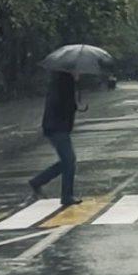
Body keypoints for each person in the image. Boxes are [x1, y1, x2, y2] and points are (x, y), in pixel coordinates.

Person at [28, 70, 87, 206]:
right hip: (57, 127)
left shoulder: (62, 82)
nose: (80, 73)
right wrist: (74, 105)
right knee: (69, 160)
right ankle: (66, 196)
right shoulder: (64, 83)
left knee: (67, 161)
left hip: (55, 126)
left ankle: (37, 182)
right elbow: (62, 105)